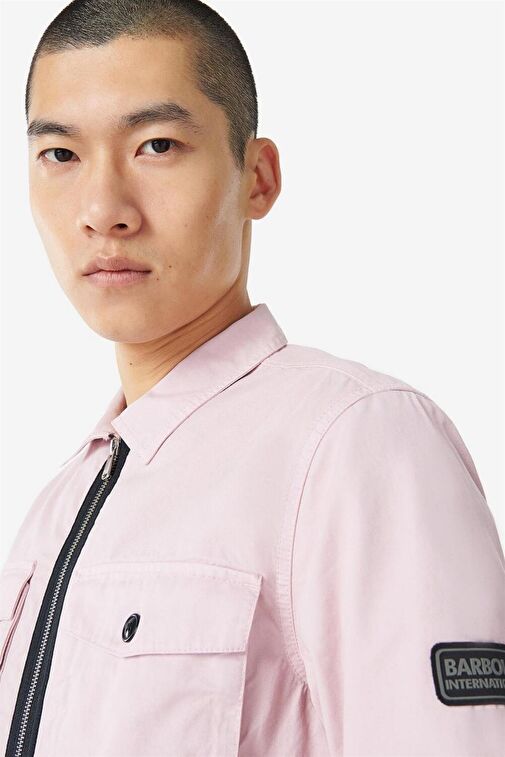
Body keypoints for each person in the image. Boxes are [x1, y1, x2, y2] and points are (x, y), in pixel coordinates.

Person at [0, 0, 503, 755]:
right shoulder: (59, 504)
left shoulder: (355, 444)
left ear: (257, 177)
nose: (102, 211)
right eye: (61, 155)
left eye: (157, 145)